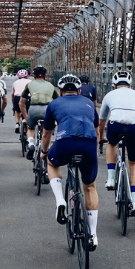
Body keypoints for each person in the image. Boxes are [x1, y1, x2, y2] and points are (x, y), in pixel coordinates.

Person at [41, 74, 100, 250]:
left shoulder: (54, 104)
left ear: (60, 91)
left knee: (52, 163)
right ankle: (93, 235)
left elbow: (46, 134)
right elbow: (97, 131)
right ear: (80, 91)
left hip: (65, 143)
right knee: (90, 187)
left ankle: (60, 201)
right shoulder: (89, 103)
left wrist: (44, 152)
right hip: (88, 143)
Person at [99, 69, 135, 216]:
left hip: (116, 125)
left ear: (114, 85)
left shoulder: (109, 95)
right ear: (130, 85)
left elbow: (102, 121)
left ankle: (111, 178)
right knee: (134, 163)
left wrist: (101, 137)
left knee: (111, 144)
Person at [18, 65, 59, 160]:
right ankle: (46, 153)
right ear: (45, 76)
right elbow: (58, 102)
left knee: (30, 128)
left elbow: (21, 103)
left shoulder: (30, 85)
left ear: (34, 75)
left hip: (33, 109)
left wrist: (26, 118)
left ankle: (31, 144)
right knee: (47, 131)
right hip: (47, 110)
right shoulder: (51, 86)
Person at [11, 69, 30, 134]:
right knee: (27, 111)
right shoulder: (30, 81)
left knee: (17, 110)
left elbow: (13, 94)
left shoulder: (15, 82)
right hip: (28, 97)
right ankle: (27, 123)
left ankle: (17, 124)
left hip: (17, 97)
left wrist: (13, 104)